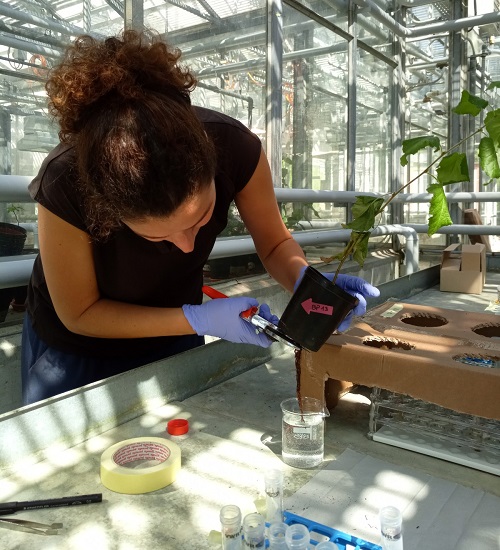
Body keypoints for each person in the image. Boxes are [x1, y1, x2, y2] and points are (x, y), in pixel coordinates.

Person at [21, 30, 379, 405]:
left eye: (201, 218)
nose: (188, 248)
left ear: (214, 160)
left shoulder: (236, 148)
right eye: (158, 238)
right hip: (77, 345)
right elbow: (81, 312)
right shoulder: (66, 180)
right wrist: (200, 319)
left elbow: (274, 243)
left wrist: (306, 281)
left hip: (176, 325)